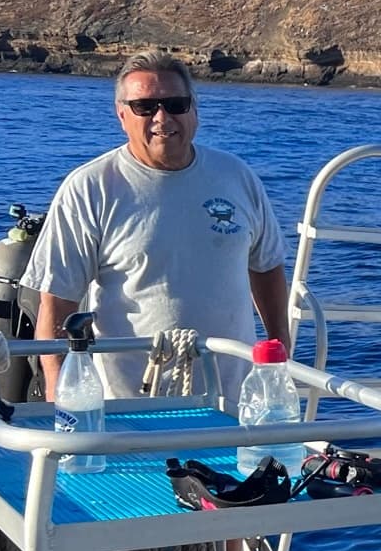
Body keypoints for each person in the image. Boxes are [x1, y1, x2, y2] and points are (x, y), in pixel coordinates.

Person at [25, 52, 290, 404]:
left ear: (194, 111)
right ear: (122, 115)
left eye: (175, 104)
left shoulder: (236, 177)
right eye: (145, 107)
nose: (162, 117)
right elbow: (56, 300)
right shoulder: (91, 188)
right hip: (129, 408)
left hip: (233, 404)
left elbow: (267, 266)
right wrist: (59, 392)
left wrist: (280, 355)